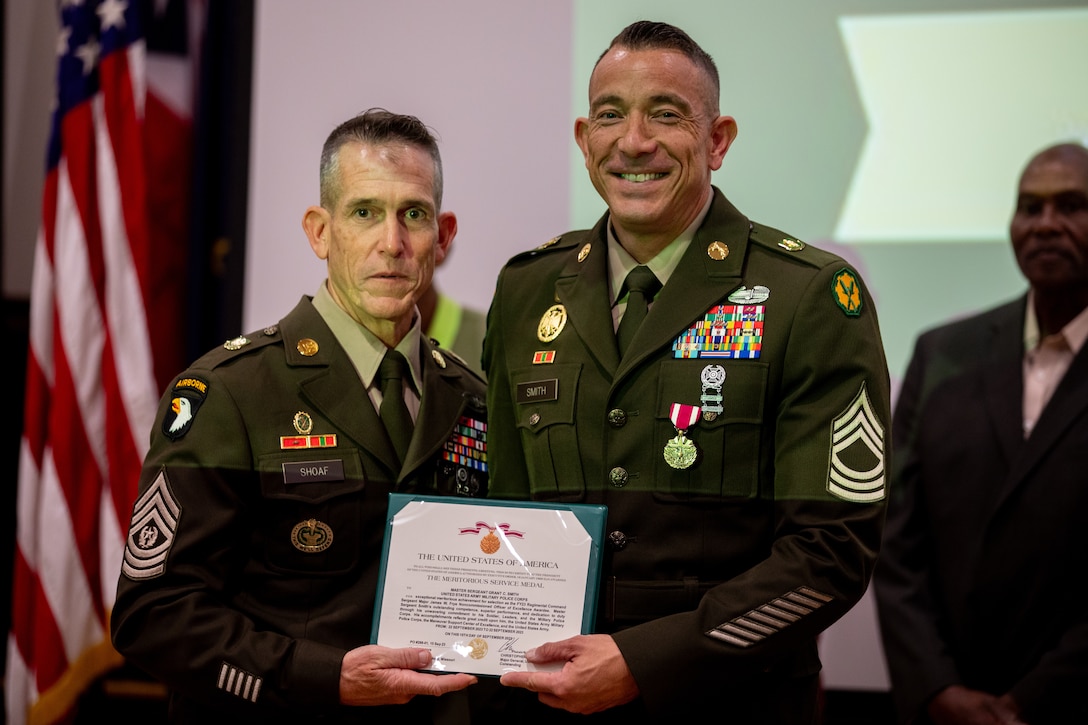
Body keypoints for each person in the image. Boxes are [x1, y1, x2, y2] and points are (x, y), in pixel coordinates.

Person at [481, 20, 890, 723]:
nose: (633, 141)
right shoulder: (527, 291)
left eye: (665, 114)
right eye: (610, 115)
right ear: (584, 139)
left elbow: (830, 556)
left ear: (718, 140)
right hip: (545, 705)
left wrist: (645, 662)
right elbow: (503, 513)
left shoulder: (807, 295)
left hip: (732, 705)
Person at [110, 109, 489, 723]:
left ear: (442, 236)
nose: (391, 242)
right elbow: (153, 613)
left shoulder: (474, 399)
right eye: (364, 212)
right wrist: (321, 678)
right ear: (319, 231)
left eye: (412, 215)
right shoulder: (228, 392)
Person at [873, 142, 1088, 725]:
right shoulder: (943, 352)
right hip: (945, 703)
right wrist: (936, 688)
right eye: (1029, 207)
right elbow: (897, 537)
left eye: (1071, 206)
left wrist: (1030, 702)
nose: (1046, 225)